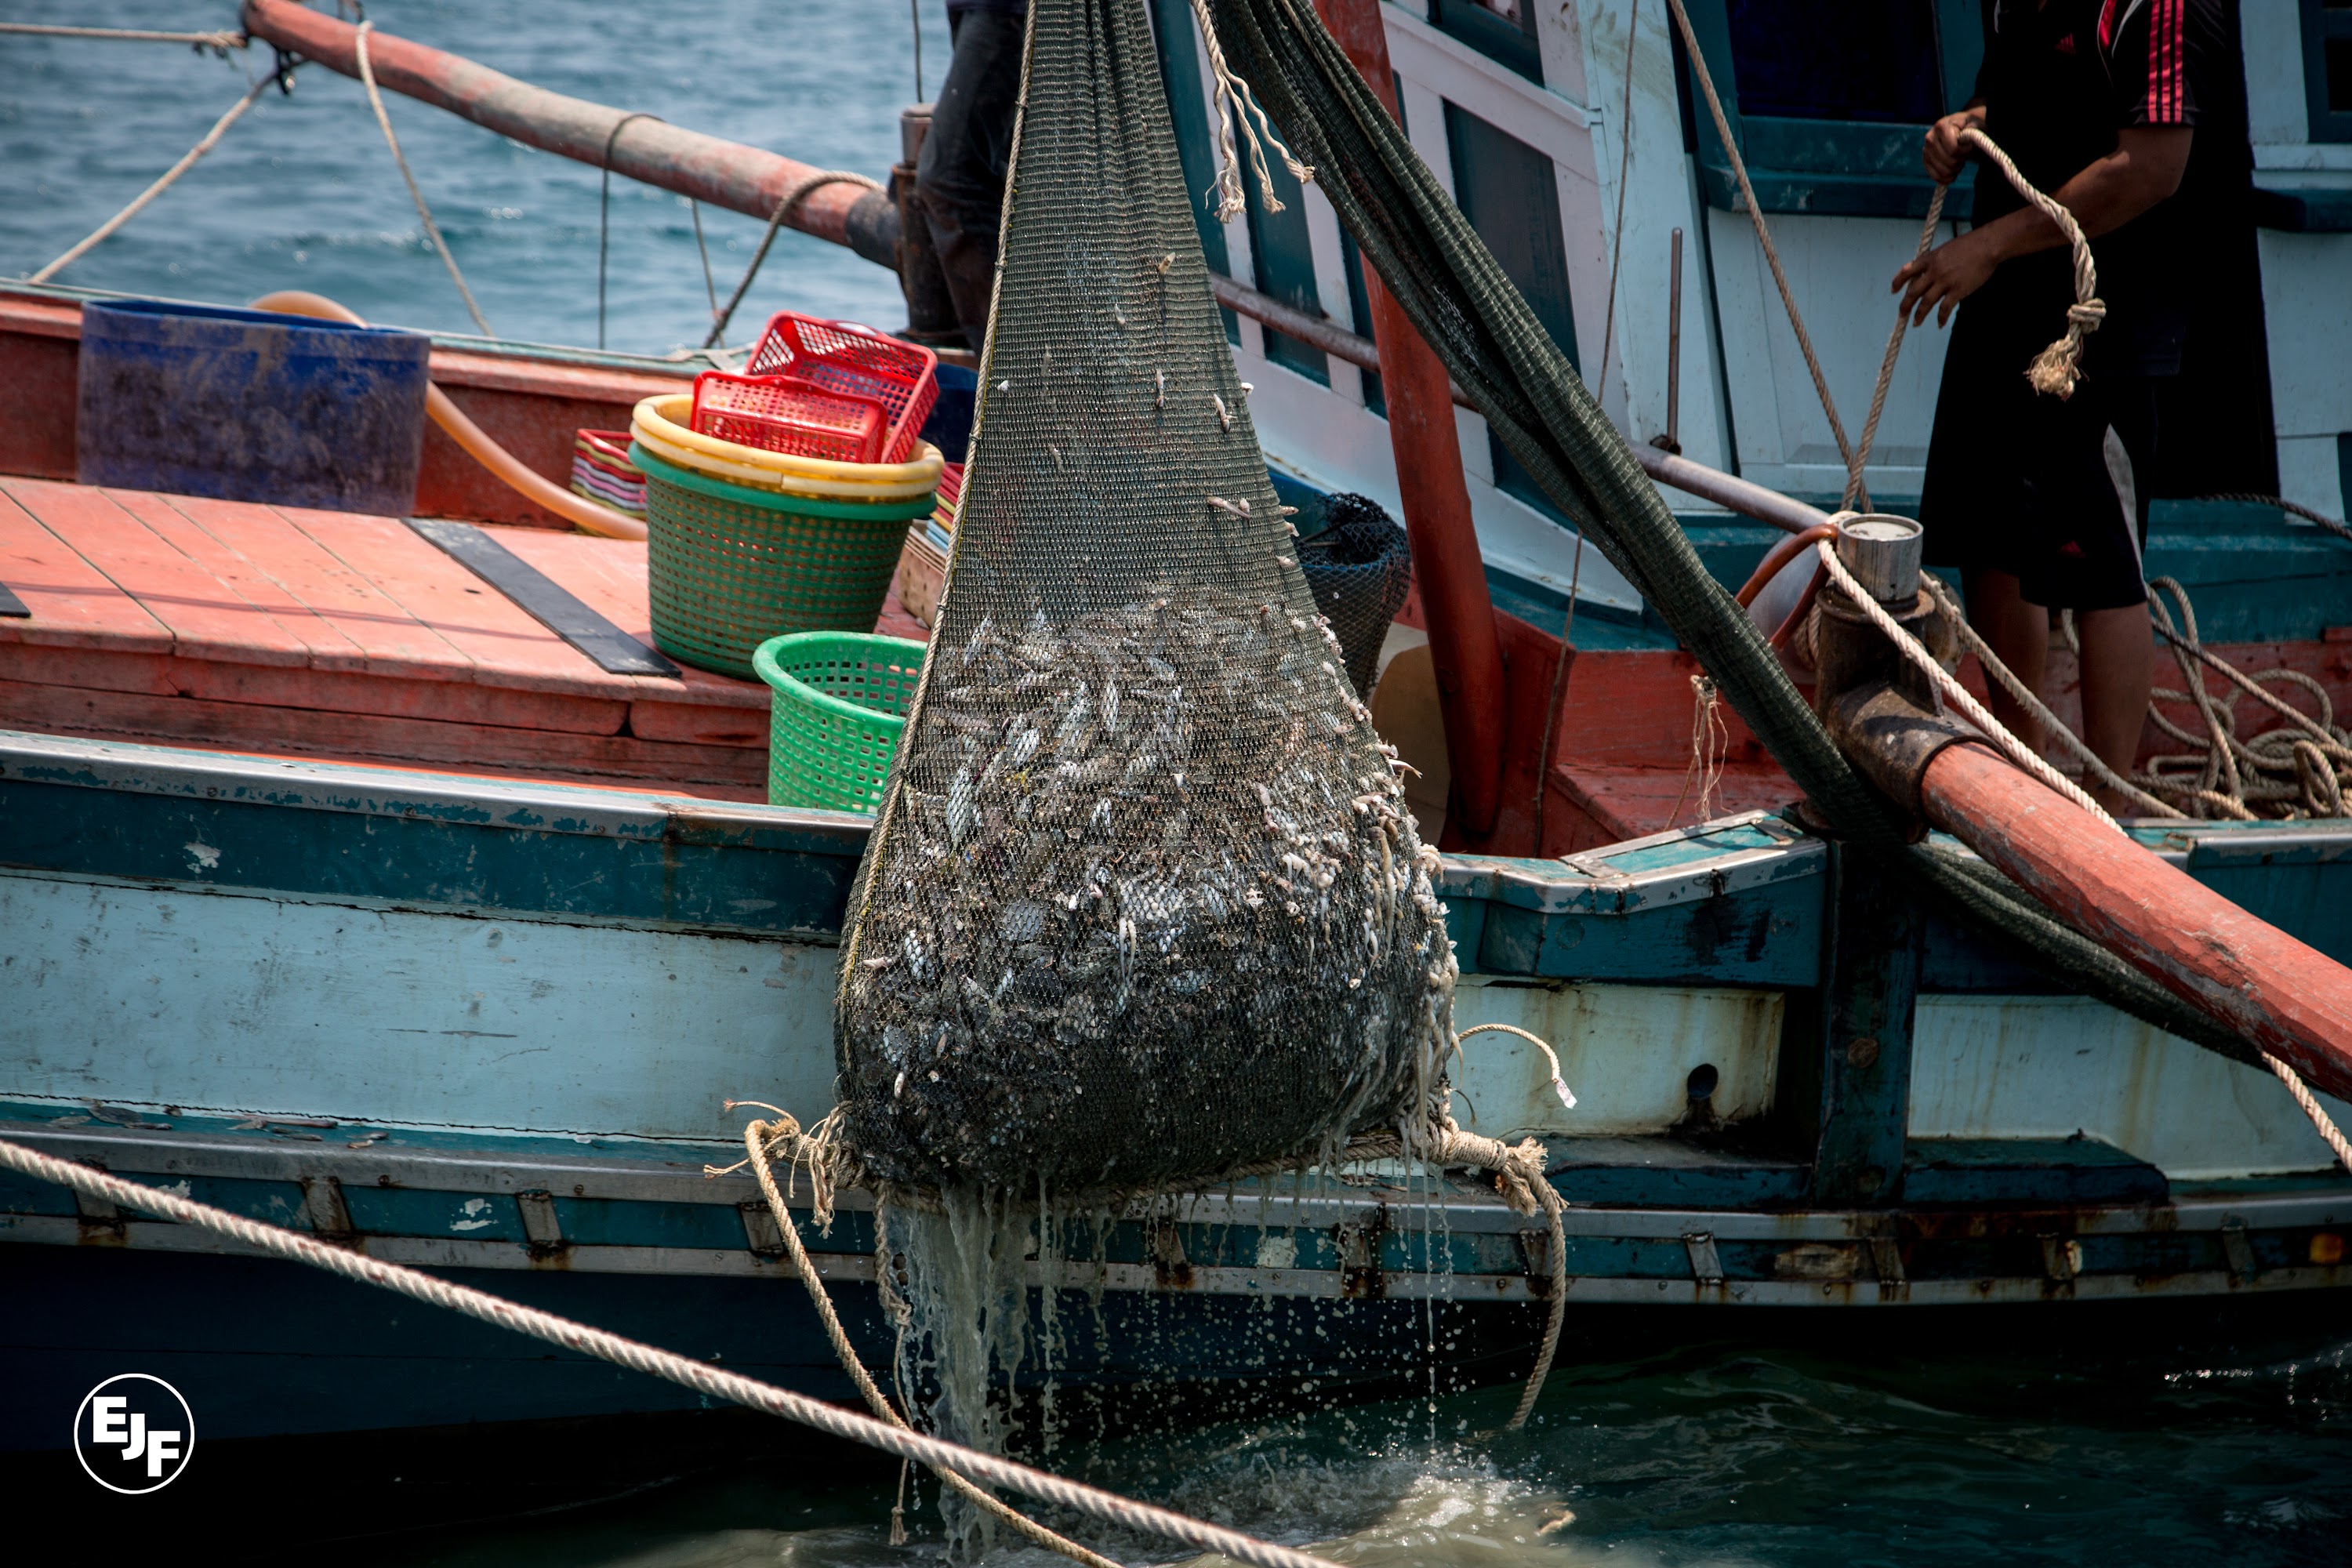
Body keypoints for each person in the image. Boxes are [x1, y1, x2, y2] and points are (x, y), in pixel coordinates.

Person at [1894, 0, 2252, 814]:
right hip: (2002, 295)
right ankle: (2022, 776)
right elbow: (2014, 102)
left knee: (2101, 560)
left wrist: (1985, 246)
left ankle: (2109, 800)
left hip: (2102, 320)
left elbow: (2151, 166)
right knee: (1991, 536)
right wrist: (1962, 128)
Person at [916, 0, 1028, 352]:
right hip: (980, 7)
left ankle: (1010, 376)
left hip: (1010, 9)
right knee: (1001, 175)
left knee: (951, 178)